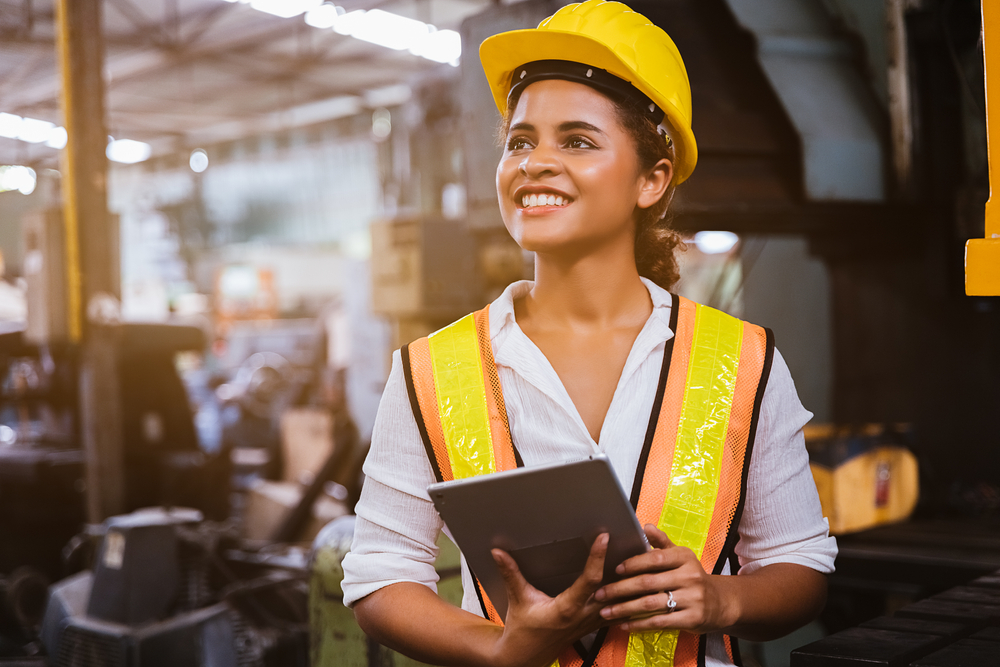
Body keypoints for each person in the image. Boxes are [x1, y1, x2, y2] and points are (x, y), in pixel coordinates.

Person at [341, 2, 837, 666]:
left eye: (576, 140)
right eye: (521, 140)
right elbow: (379, 571)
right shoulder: (430, 370)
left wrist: (722, 600)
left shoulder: (742, 360)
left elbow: (798, 563)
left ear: (651, 179)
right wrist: (499, 648)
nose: (535, 162)